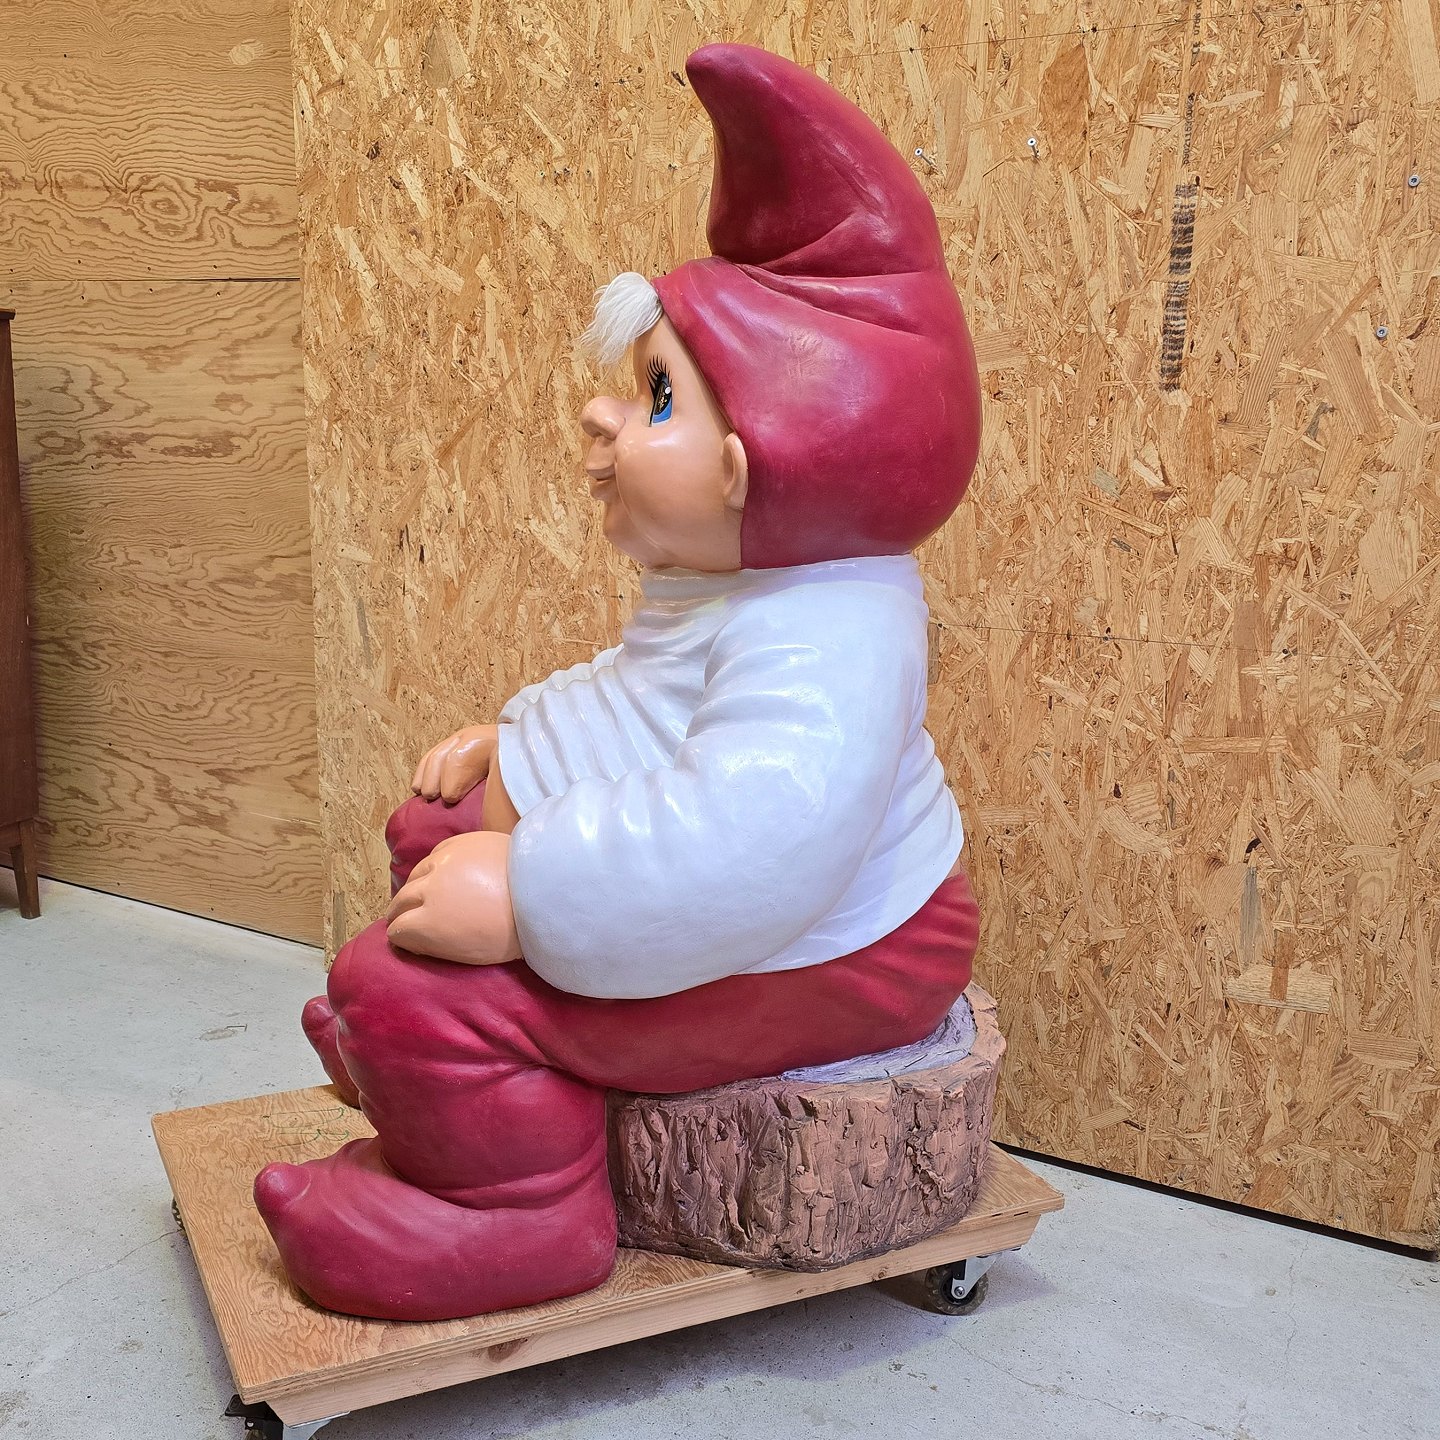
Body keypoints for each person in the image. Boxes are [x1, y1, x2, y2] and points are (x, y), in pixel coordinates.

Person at [254, 40, 984, 1321]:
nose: (602, 417)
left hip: (852, 949)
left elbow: (747, 840)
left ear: (755, 464)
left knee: (411, 987)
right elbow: (649, 699)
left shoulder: (833, 635)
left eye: (654, 397)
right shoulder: (747, 583)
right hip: (769, 897)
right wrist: (515, 752)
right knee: (430, 830)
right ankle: (452, 1093)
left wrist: (530, 893)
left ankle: (511, 1211)